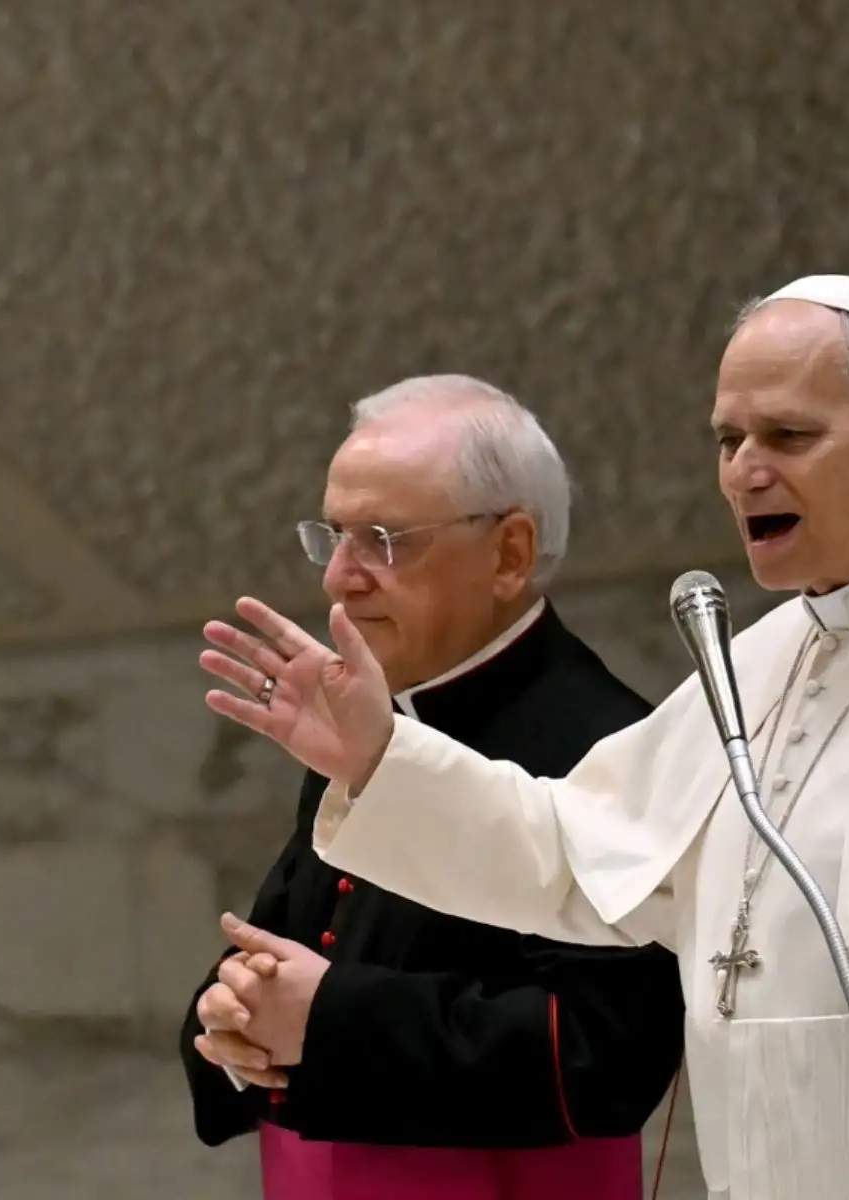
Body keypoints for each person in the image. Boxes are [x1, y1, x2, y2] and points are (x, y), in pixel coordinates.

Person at [197, 278, 849, 1200]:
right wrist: (379, 758)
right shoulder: (762, 663)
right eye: (729, 440)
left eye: (787, 436)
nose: (744, 473)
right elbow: (571, 855)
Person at [179, 375, 686, 1200]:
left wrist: (326, 1019)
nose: (339, 578)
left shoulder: (612, 745)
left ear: (510, 553)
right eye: (332, 536)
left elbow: (604, 1050)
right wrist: (233, 1017)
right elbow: (288, 946)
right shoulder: (375, 712)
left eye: (382, 539)